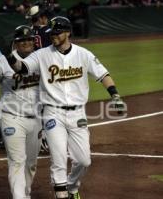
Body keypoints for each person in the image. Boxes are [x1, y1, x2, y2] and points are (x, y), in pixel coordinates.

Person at [6, 16, 125, 199]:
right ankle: (61, 194)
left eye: (58, 32)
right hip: (53, 113)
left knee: (84, 160)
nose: (54, 35)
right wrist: (9, 56)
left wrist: (115, 95)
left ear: (68, 33)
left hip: (78, 113)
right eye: (52, 32)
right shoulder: (42, 54)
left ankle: (72, 187)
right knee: (59, 159)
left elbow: (103, 75)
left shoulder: (83, 54)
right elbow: (22, 68)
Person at [0, 25, 41, 199]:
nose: (27, 43)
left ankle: (25, 193)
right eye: (22, 40)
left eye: (29, 39)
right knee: (17, 161)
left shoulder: (41, 58)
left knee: (31, 163)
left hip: (36, 118)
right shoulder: (2, 61)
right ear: (16, 42)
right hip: (11, 117)